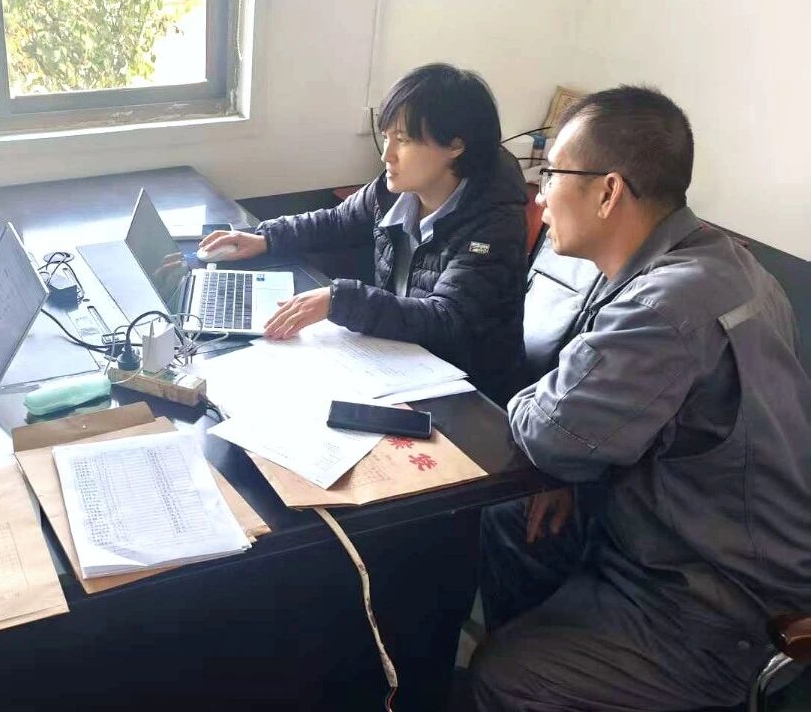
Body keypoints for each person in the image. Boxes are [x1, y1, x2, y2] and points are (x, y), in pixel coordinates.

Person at [470, 86, 811, 710]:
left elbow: (547, 430)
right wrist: (570, 452)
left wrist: (547, 419)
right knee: (514, 519)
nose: (539, 195)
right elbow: (589, 422)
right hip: (682, 538)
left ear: (608, 192)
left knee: (505, 676)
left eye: (552, 175)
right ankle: (553, 644)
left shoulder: (665, 306)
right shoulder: (723, 263)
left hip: (717, 607)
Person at [200, 62, 528, 405]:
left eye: (403, 140)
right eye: (386, 137)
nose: (387, 155)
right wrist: (266, 238)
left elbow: (447, 320)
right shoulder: (394, 190)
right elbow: (337, 221)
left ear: (455, 146)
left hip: (470, 395)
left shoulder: (495, 222)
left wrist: (340, 300)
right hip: (400, 361)